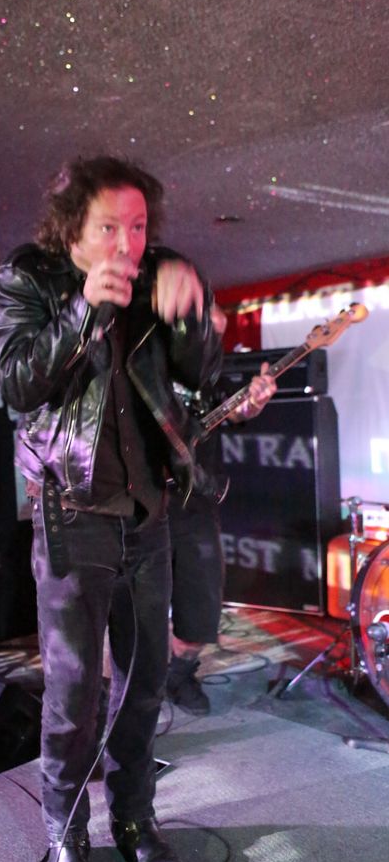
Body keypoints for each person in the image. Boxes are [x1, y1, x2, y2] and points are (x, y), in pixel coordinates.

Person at [0, 155, 222, 862]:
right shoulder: (27, 277)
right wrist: (84, 309)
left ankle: (132, 816)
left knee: (144, 685)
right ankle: (65, 830)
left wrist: (192, 317)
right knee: (73, 697)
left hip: (147, 516)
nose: (128, 243)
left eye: (139, 226)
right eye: (109, 228)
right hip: (72, 520)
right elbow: (17, 383)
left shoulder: (159, 278)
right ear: (73, 230)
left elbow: (199, 377)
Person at [166, 305, 277, 714]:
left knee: (202, 608)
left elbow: (238, 409)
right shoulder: (145, 365)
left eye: (217, 334)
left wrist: (252, 404)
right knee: (131, 610)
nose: (210, 342)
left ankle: (177, 675)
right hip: (142, 504)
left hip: (196, 503)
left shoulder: (212, 380)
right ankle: (129, 688)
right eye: (204, 330)